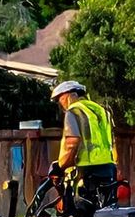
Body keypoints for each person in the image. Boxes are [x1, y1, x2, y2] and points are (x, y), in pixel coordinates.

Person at [50, 79, 118, 207]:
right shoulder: (103, 112)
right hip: (108, 170)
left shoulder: (74, 111)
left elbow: (72, 143)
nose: (62, 104)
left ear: (70, 95)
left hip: (86, 172)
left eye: (61, 99)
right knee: (106, 213)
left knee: (83, 216)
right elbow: (112, 142)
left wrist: (61, 167)